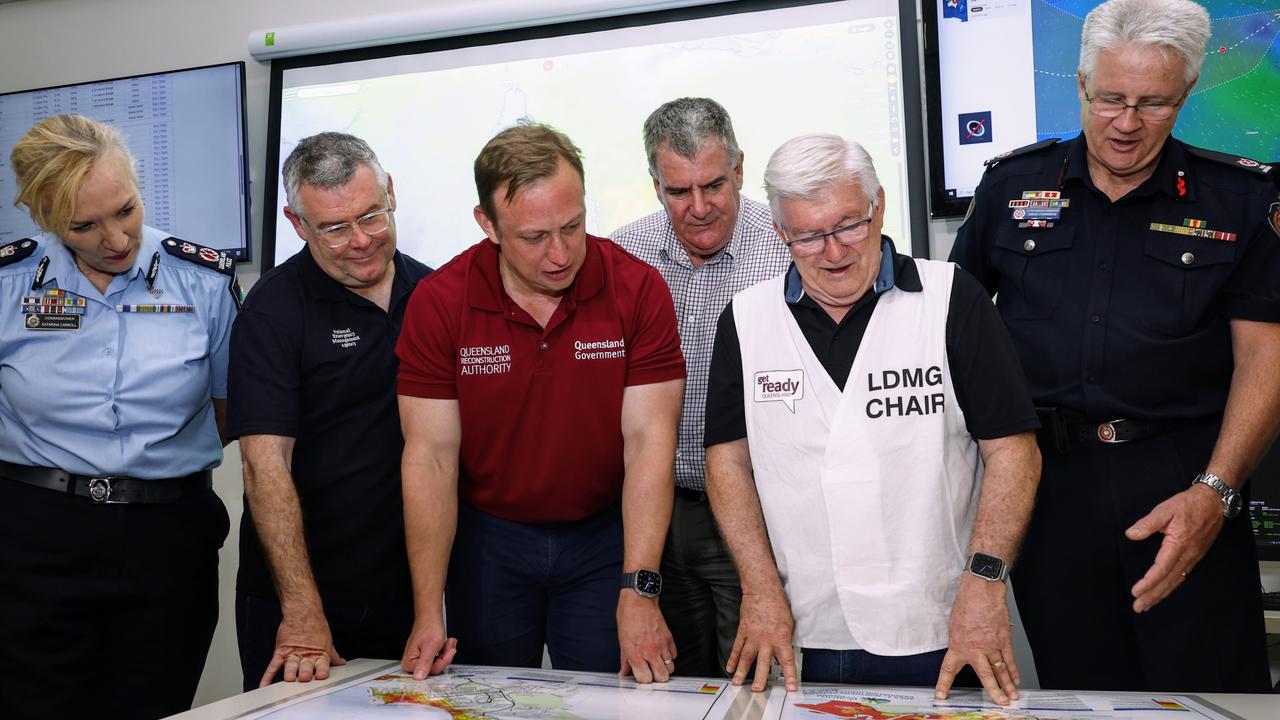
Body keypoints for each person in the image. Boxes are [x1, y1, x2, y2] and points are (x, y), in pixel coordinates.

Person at [948, 0, 1280, 692]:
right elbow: (954, 329)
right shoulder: (1012, 186)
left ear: (1187, 93)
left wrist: (1214, 493)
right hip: (1050, 487)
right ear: (1080, 84)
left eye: (1152, 104)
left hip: (1182, 481)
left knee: (1211, 695)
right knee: (1079, 692)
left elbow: (1265, 358)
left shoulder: (1238, 199)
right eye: (1110, 99)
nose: (1126, 124)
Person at [705, 134, 1041, 703]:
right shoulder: (747, 319)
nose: (833, 252)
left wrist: (984, 586)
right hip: (801, 632)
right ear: (780, 232)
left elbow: (1013, 451)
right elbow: (727, 462)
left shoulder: (950, 299)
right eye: (808, 235)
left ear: (879, 206)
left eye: (848, 225)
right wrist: (758, 589)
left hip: (938, 629)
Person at [396, 122, 686, 683]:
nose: (560, 254)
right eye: (534, 237)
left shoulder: (637, 288)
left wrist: (639, 588)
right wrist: (428, 611)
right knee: (485, 698)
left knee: (621, 696)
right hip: (491, 542)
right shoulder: (440, 302)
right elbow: (430, 457)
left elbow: (650, 442)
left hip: (604, 537)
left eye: (573, 227)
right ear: (488, 225)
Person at [0, 114, 238, 719]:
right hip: (35, 536)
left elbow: (228, 408)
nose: (115, 238)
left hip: (166, 537)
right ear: (45, 219)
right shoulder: (7, 283)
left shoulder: (202, 282)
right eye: (84, 225)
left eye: (125, 210)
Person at [227, 133, 431, 691]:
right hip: (303, 597)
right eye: (335, 228)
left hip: (414, 592)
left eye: (371, 216)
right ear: (297, 223)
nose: (360, 241)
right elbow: (263, 466)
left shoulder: (437, 294)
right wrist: (301, 610)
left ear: (390, 192)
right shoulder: (272, 311)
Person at [610, 97, 789, 678]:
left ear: (739, 169)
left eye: (714, 185)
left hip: (759, 511)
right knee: (669, 686)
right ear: (655, 185)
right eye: (678, 191)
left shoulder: (789, 248)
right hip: (653, 514)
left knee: (757, 683)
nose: (700, 207)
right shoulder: (622, 257)